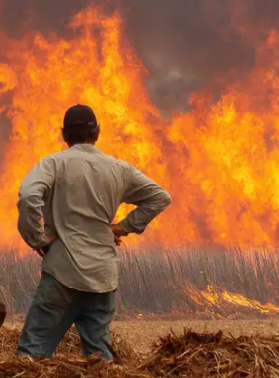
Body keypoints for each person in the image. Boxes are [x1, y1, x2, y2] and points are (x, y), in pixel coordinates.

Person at [15, 104, 172, 361]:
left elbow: (29, 195)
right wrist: (123, 227)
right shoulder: (118, 169)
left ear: (64, 134)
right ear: (97, 132)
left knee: (32, 355)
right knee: (99, 360)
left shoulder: (54, 164)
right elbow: (160, 198)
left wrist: (37, 239)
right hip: (103, 277)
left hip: (62, 273)